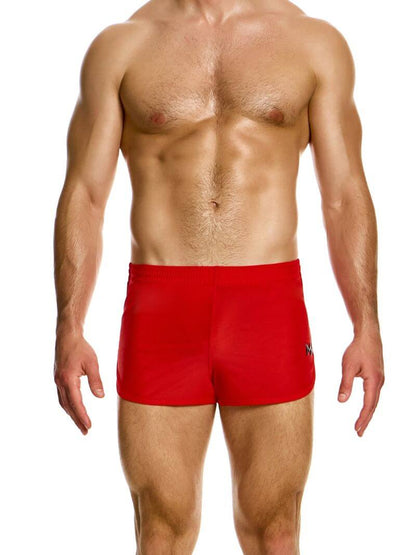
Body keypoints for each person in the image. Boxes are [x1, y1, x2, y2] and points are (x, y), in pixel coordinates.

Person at [53, 0, 385, 552]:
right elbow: (85, 195)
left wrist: (365, 324)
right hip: (162, 309)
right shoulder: (122, 46)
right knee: (161, 532)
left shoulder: (312, 43)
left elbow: (344, 193)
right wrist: (70, 325)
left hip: (267, 307)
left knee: (275, 530)